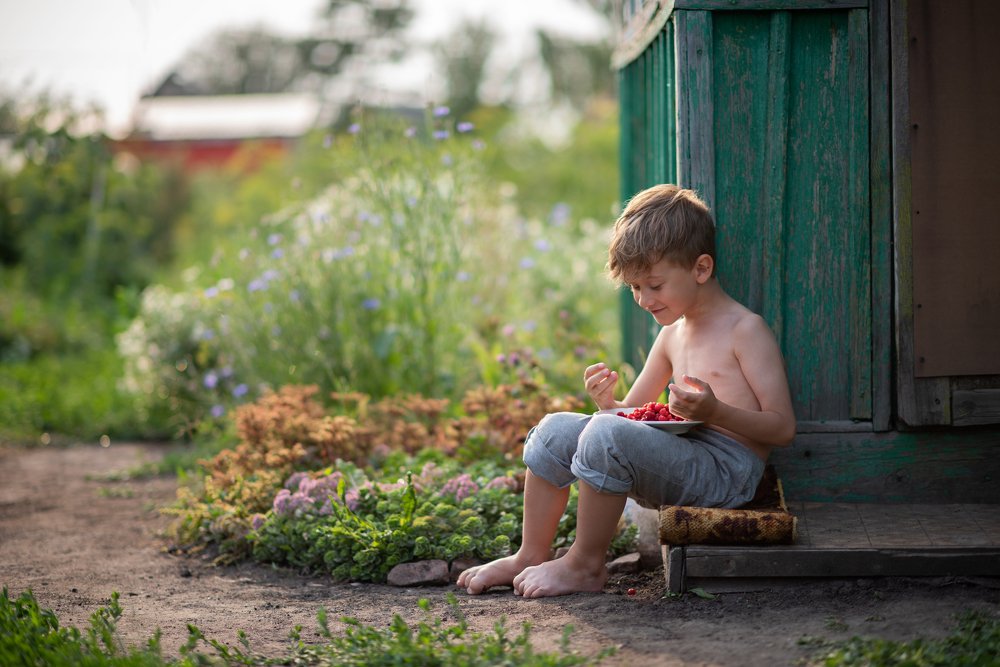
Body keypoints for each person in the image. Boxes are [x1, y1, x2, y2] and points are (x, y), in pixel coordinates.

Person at [457, 183, 797, 598]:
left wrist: (716, 412)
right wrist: (607, 403)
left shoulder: (745, 330)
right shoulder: (673, 333)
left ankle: (585, 565)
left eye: (654, 285)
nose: (643, 299)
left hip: (726, 472)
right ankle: (530, 553)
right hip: (677, 457)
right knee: (554, 429)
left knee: (603, 434)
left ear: (701, 269)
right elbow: (629, 415)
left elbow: (782, 429)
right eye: (635, 288)